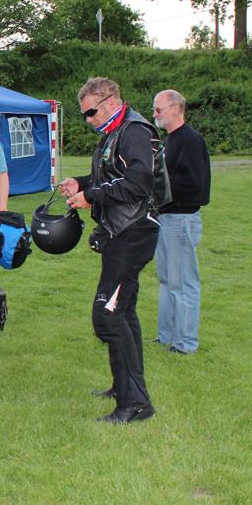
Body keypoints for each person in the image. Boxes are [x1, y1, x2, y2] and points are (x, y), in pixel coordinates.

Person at [58, 77, 159, 424]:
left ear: (111, 102)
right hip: (121, 231)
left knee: (108, 315)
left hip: (134, 231)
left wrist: (92, 196)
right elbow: (110, 176)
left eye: (91, 112)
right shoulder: (114, 132)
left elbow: (138, 183)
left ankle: (136, 404)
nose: (88, 120)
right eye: (84, 114)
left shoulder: (135, 131)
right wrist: (81, 183)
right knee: (124, 312)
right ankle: (125, 388)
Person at [152, 89, 211, 355]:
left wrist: (159, 184)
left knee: (183, 281)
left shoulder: (190, 140)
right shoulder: (170, 141)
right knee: (167, 279)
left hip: (181, 218)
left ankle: (185, 343)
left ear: (176, 108)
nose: (155, 115)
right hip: (165, 217)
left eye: (159, 109)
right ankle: (166, 336)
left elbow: (196, 184)